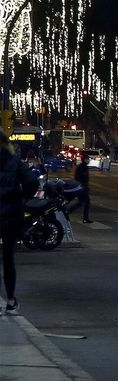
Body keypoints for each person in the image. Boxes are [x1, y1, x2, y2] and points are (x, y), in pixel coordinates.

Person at [2, 133, 42, 315]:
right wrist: (20, 197)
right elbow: (32, 182)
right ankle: (10, 300)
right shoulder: (15, 162)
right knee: (8, 259)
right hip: (11, 216)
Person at [73, 154, 92, 224]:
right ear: (85, 159)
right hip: (82, 187)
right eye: (88, 159)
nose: (89, 160)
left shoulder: (81, 166)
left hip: (81, 187)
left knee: (81, 202)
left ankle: (68, 211)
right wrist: (83, 186)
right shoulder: (83, 167)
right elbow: (81, 177)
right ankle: (85, 218)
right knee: (86, 202)